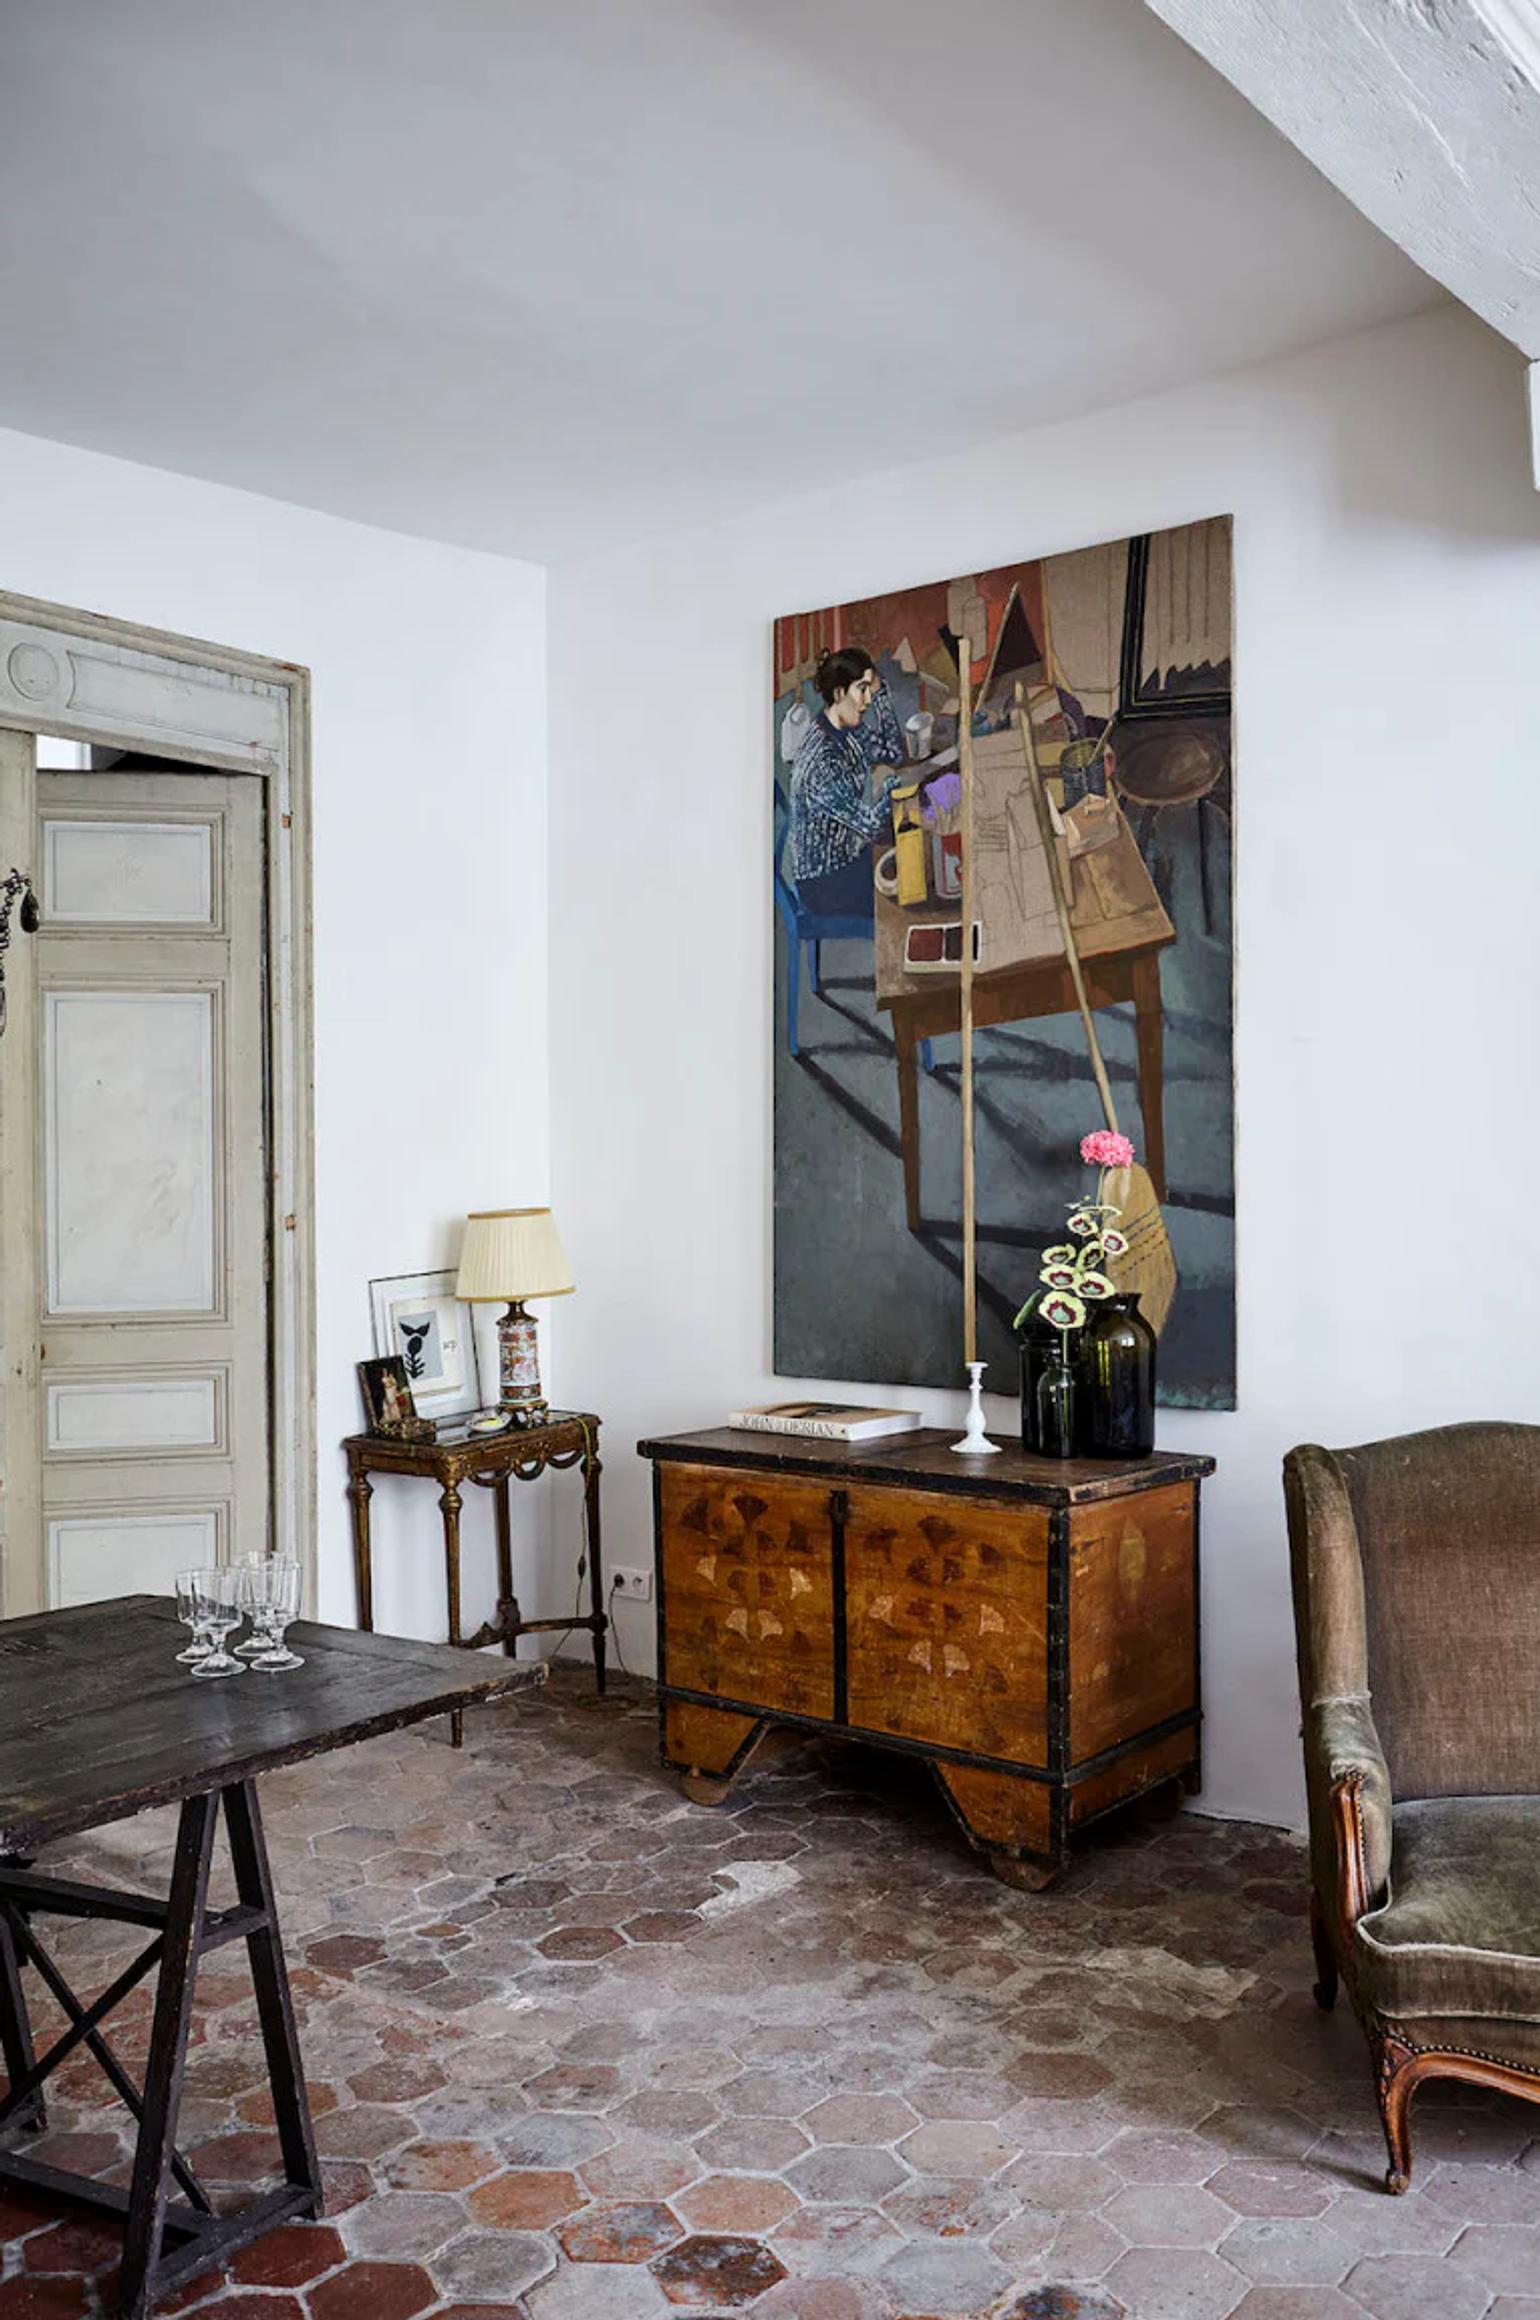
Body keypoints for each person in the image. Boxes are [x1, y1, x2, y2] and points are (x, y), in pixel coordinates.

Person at [788, 646, 932, 916]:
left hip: (850, 856)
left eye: (869, 689)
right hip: (825, 883)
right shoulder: (822, 759)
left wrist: (882, 696)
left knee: (920, 847)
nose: (866, 700)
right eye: (862, 689)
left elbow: (892, 753)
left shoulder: (848, 726)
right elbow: (872, 826)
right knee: (913, 882)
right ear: (840, 692)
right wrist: (891, 786)